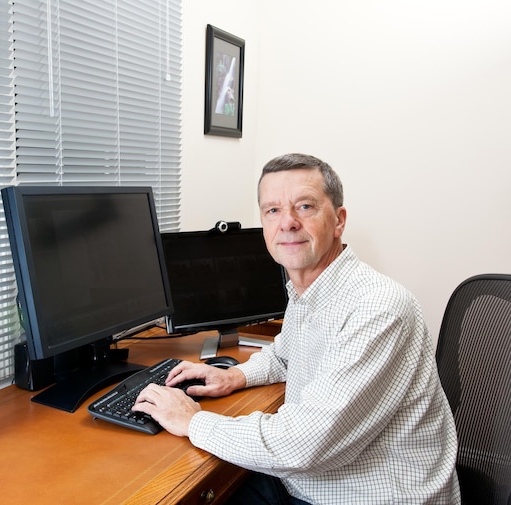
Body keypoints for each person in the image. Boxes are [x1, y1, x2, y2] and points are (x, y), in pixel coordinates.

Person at [133, 153, 461, 504]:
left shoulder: (378, 309)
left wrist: (192, 422)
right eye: (272, 210)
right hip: (308, 482)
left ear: (338, 220)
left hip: (365, 494)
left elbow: (301, 445)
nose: (287, 222)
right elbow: (286, 354)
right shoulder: (310, 289)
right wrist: (235, 376)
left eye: (304, 206)